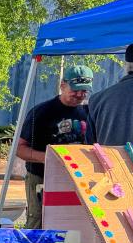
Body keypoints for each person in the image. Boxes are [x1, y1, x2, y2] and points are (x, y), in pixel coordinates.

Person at [16, 65, 92, 229]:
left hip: (75, 178)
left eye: (84, 91)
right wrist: (47, 158)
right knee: (38, 220)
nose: (79, 95)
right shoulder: (42, 112)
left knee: (72, 220)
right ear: (63, 85)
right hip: (41, 178)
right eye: (75, 89)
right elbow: (19, 148)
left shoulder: (89, 112)